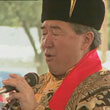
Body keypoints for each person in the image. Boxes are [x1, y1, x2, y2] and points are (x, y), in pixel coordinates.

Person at [2, 0, 110, 110]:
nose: (46, 43)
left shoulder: (104, 88)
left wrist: (33, 108)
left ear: (86, 40)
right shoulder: (36, 84)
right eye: (44, 34)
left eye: (55, 33)